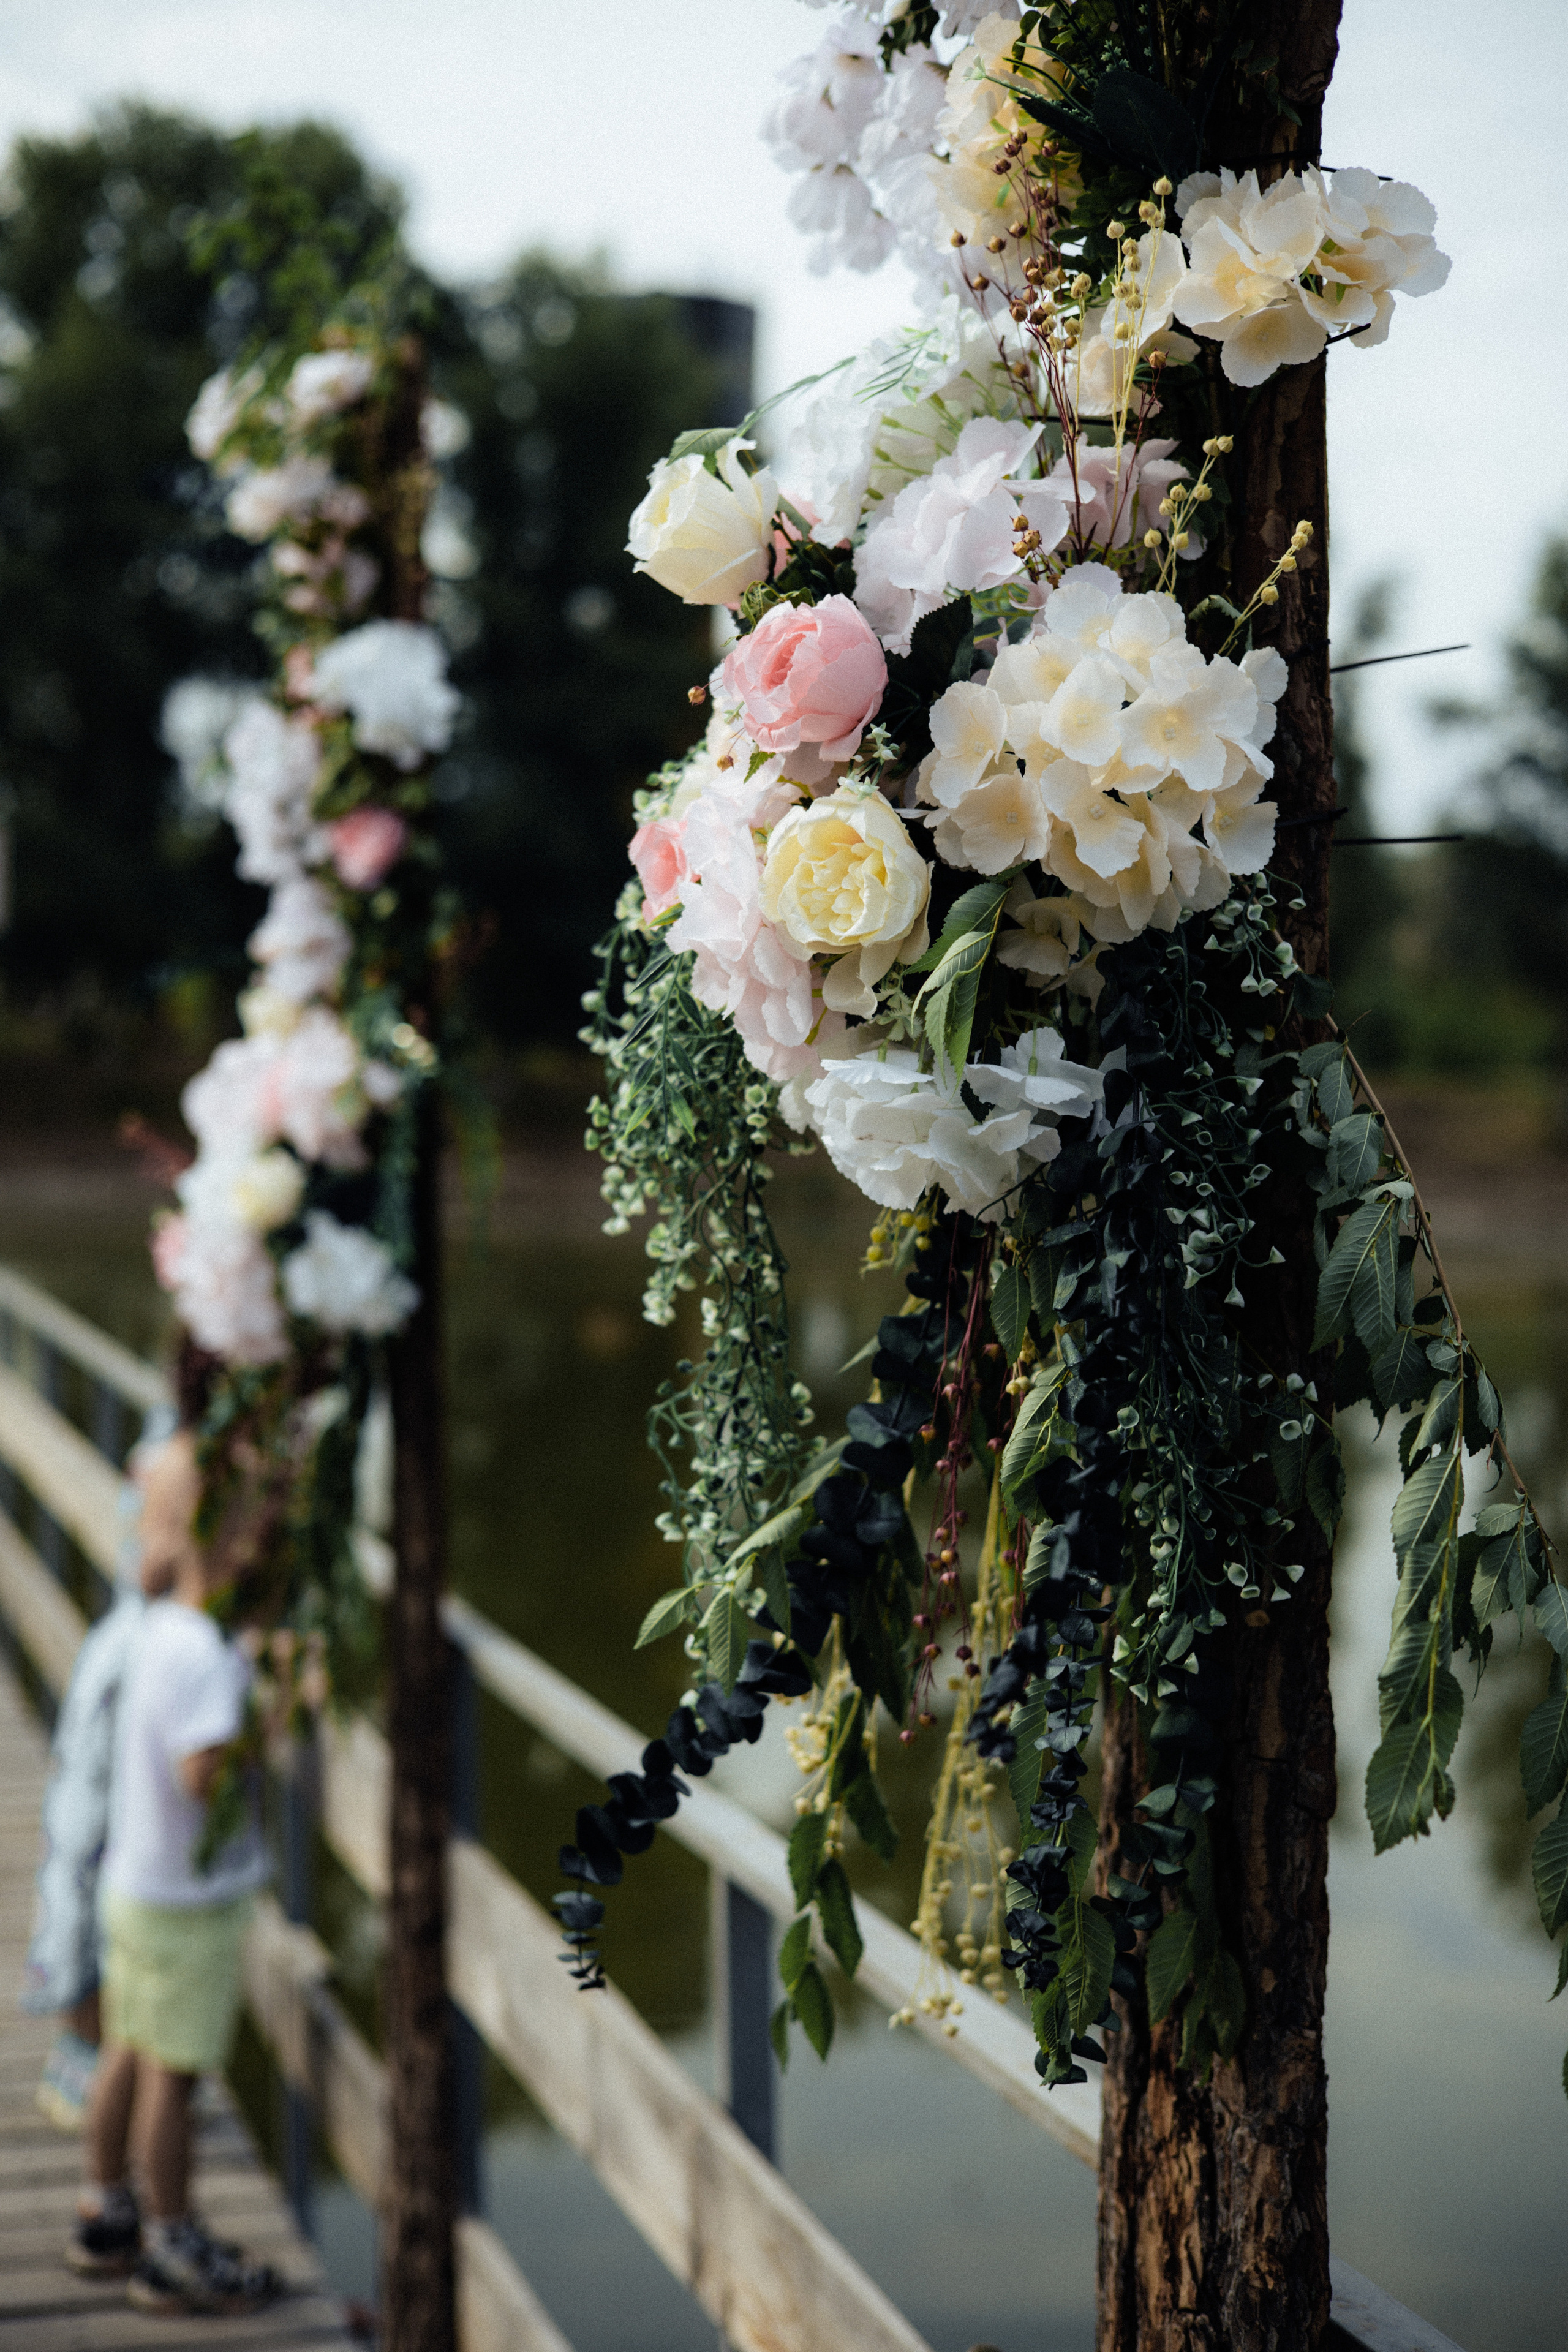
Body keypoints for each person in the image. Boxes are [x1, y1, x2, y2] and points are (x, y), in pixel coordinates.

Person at [67, 1425, 279, 2316]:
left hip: (134, 1889)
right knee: (174, 2075)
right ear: (228, 1542)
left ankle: (103, 2210)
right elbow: (202, 1776)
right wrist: (263, 1726)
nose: (269, 1546)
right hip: (187, 1907)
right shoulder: (206, 1656)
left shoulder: (155, 1627)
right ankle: (173, 2241)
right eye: (263, 1530)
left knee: (125, 2044)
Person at [23, 1406, 177, 2130]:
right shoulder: (178, 1450)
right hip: (138, 1681)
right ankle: (91, 2057)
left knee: (98, 1860)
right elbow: (149, 1562)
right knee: (94, 1860)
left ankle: (104, 2062)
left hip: (144, 1673)